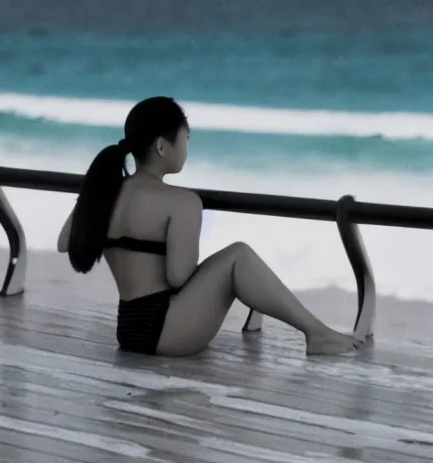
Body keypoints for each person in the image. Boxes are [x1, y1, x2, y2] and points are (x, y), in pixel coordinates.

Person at [57, 96, 365, 357]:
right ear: (163, 147)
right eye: (186, 138)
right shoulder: (181, 202)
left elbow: (64, 242)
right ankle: (316, 332)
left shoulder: (104, 192)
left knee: (234, 259)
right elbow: (178, 277)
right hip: (167, 331)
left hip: (128, 330)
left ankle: (316, 331)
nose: (187, 147)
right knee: (238, 256)